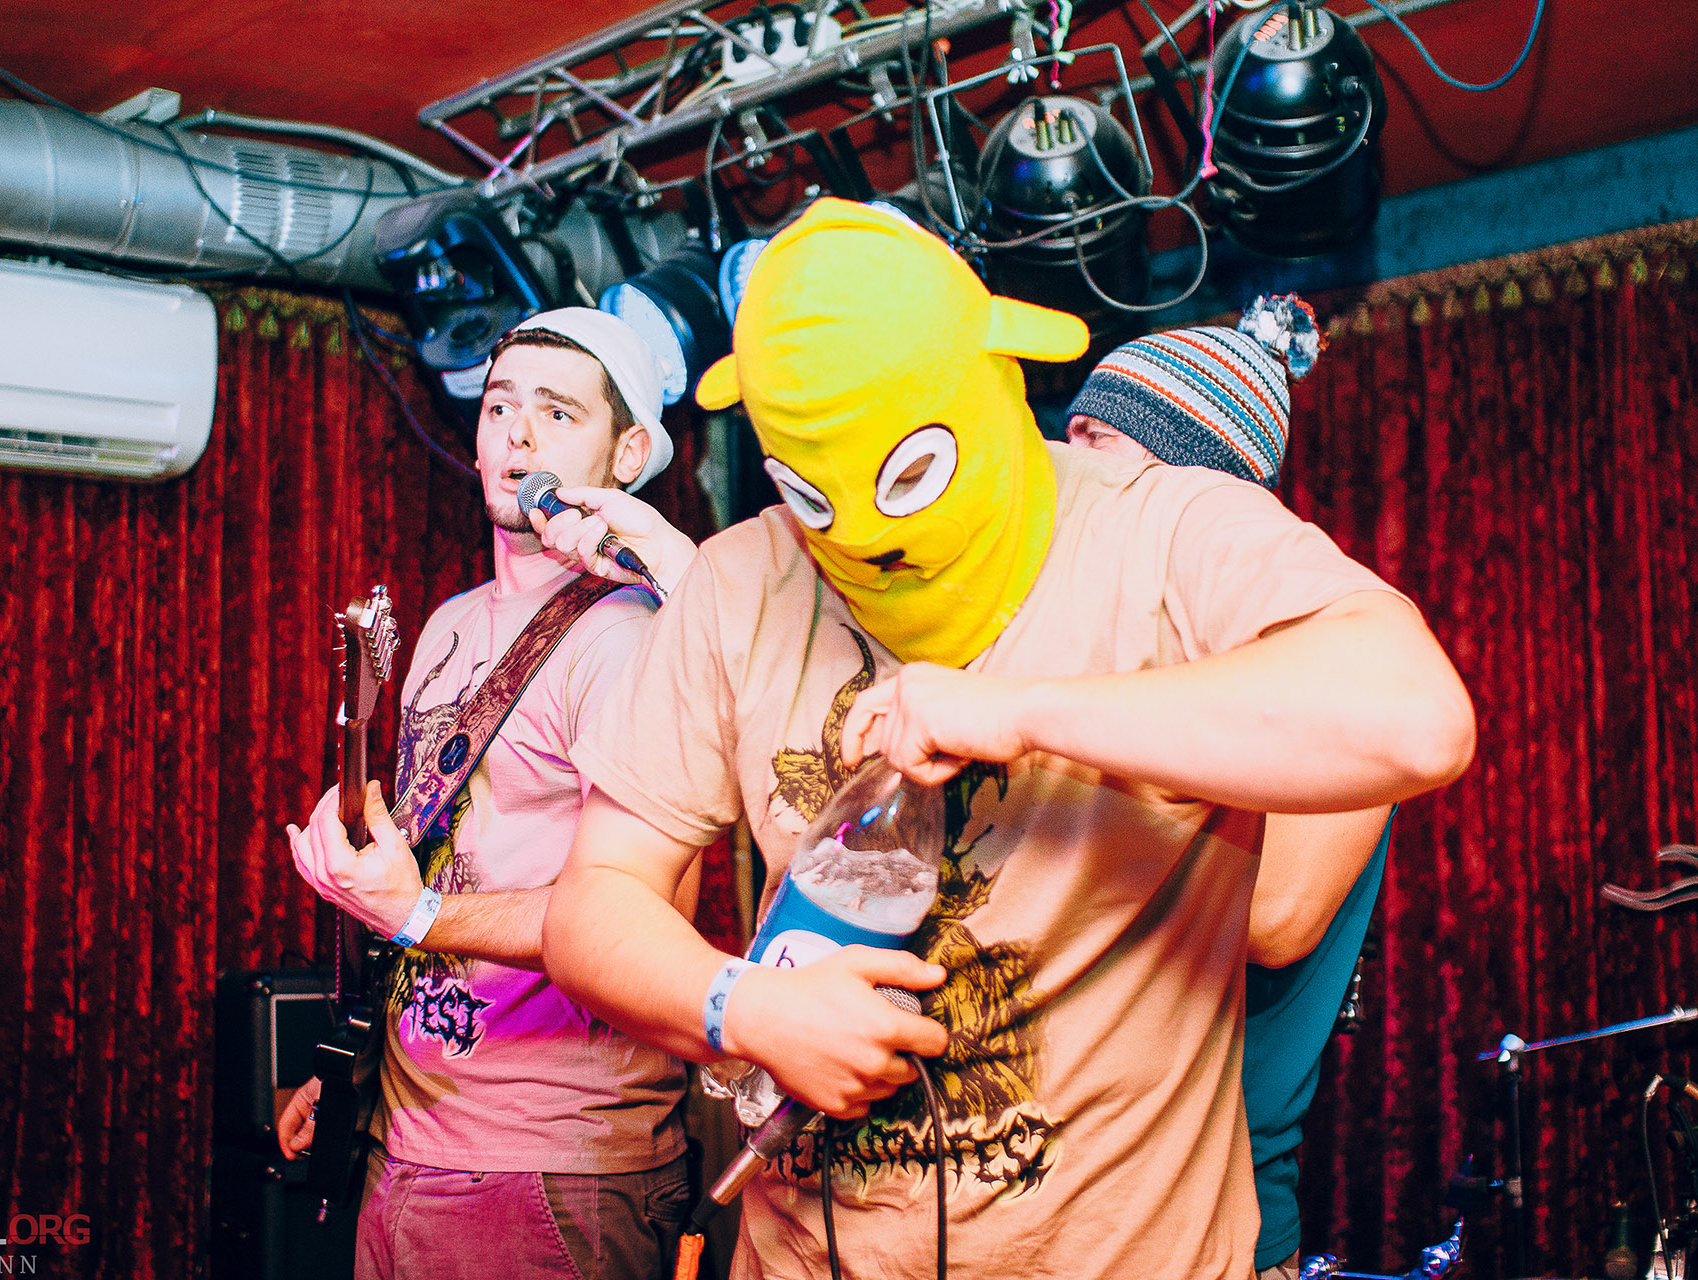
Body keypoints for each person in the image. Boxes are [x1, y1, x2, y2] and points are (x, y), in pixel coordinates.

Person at [540, 199, 1475, 1280]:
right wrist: (740, 1007)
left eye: (907, 474)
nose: (869, 534)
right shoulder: (741, 577)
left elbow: (1414, 718)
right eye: (818, 494)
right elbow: (593, 903)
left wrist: (1021, 712)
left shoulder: (1167, 527)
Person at [281, 307, 702, 1280]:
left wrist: (418, 912)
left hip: (551, 1161)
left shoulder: (627, 636)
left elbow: (647, 911)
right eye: (499, 406)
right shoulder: (447, 624)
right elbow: (439, 862)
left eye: (557, 412)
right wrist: (352, 1072)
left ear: (626, 453)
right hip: (406, 1137)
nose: (517, 435)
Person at [1064, 298, 1396, 1280]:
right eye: (1072, 436)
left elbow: (1277, 917)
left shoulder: (1322, 664)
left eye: (1101, 446)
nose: (1068, 471)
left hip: (1214, 1214)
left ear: (1202, 495)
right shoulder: (1079, 648)